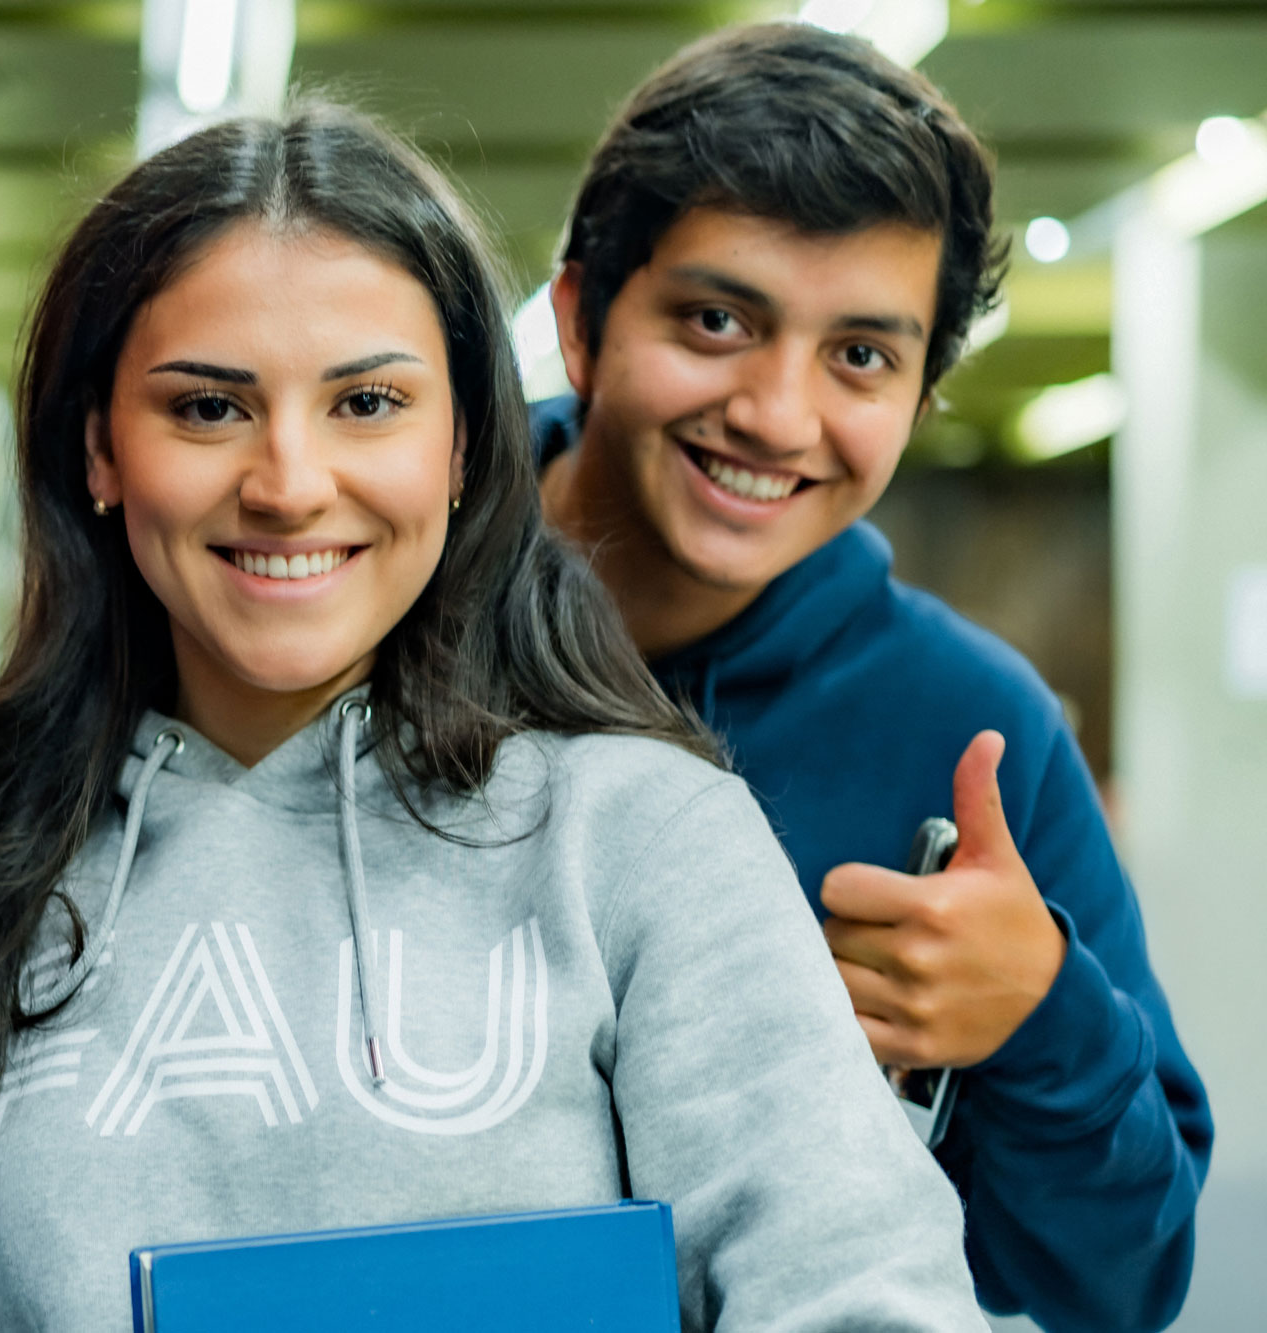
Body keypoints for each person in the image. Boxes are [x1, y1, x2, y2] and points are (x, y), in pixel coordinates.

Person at [0, 106, 986, 1331]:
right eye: (207, 407)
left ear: (461, 447)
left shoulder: (643, 839)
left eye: (368, 403)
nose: (287, 484)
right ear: (100, 449)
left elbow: (858, 1292)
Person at [531, 23, 1212, 1333]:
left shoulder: (973, 729)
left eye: (859, 356)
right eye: (716, 320)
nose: (776, 414)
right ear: (580, 321)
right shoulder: (370, 617)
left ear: (918, 396)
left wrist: (1037, 1018)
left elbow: (1122, 1283)